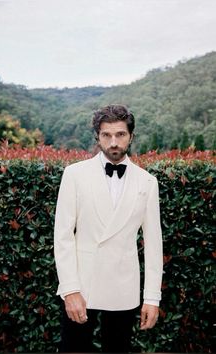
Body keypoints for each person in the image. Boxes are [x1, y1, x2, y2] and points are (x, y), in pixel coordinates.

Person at [54, 104, 163, 353]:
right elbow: (62, 238)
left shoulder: (147, 182)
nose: (113, 142)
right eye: (106, 135)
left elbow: (154, 245)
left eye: (120, 135)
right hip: (82, 285)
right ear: (97, 137)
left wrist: (151, 298)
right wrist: (70, 290)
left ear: (131, 136)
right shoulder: (74, 175)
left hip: (123, 287)